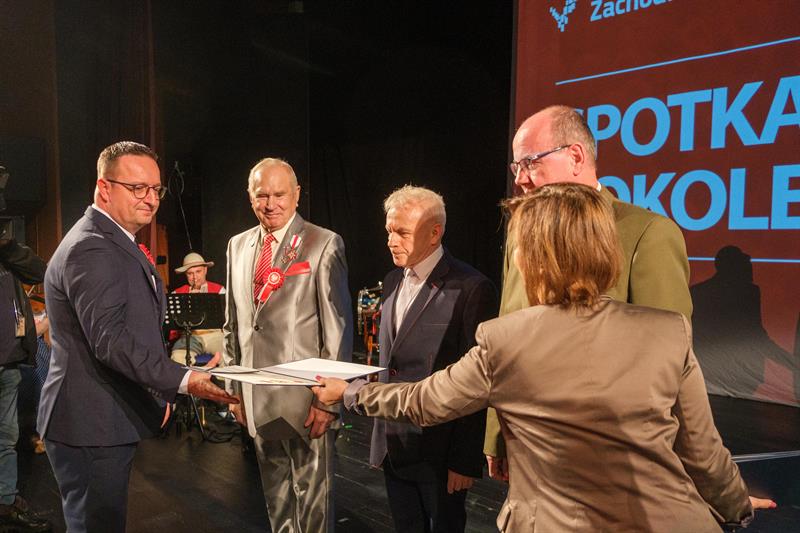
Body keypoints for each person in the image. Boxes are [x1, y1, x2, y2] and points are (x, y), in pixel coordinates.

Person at [313, 183, 775, 532]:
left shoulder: (504, 340)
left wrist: (350, 393)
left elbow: (423, 402)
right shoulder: (669, 332)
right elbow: (703, 452)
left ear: (535, 258)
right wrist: (736, 506)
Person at [484, 105, 694, 479]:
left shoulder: (647, 234)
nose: (521, 180)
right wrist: (496, 435)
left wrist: (690, 473)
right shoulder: (520, 233)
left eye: (530, 163)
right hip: (526, 448)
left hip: (609, 462)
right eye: (516, 168)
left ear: (576, 157)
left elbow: (670, 365)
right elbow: (506, 337)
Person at [38, 141, 237, 533]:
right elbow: (110, 340)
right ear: (104, 187)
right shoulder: (92, 247)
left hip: (103, 419)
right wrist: (181, 379)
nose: (150, 199)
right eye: (137, 188)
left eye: (156, 189)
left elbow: (134, 328)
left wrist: (154, 395)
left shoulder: (113, 239)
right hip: (90, 424)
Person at [223, 157, 352, 532]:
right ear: (250, 196)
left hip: (306, 401)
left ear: (296, 195)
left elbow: (338, 331)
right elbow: (233, 324)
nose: (271, 203)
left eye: (279, 194)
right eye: (262, 195)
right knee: (275, 497)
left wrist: (328, 402)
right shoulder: (237, 245)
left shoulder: (323, 243)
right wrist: (234, 392)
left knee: (314, 502)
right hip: (256, 397)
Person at [375, 185, 496, 532]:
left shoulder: (471, 287)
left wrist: (464, 460)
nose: (391, 241)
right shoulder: (392, 280)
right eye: (389, 231)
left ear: (434, 233)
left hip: (440, 454)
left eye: (402, 233)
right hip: (393, 446)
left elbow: (478, 381)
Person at [0, 236, 50, 532]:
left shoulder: (7, 255)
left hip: (8, 361)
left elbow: (39, 272)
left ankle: (5, 502)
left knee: (6, 437)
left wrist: (8, 247)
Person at [169, 252, 226, 365]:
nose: (195, 277)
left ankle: (219, 377)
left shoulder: (220, 290)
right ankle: (192, 377)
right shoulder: (177, 293)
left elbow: (228, 319)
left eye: (198, 271)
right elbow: (174, 327)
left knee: (228, 355)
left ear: (205, 270)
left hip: (215, 335)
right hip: (190, 336)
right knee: (177, 356)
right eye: (190, 273)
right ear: (186, 274)